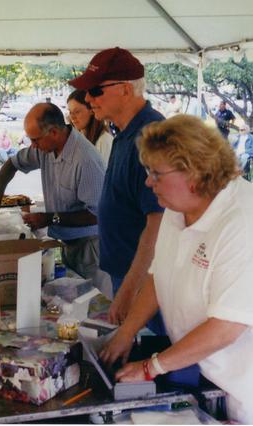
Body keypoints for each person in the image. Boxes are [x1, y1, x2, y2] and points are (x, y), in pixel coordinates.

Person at [100, 114, 253, 424]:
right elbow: (160, 276)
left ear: (194, 175)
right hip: (221, 365)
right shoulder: (177, 206)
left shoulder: (245, 222)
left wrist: (152, 367)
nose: (147, 182)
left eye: (155, 173)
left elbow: (226, 327)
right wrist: (127, 332)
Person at [68, 47, 165, 330]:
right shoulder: (124, 133)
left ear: (125, 89)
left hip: (145, 279)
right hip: (126, 271)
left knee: (153, 353)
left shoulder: (151, 136)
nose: (87, 98)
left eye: (95, 90)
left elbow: (158, 223)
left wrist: (129, 288)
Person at [0, 103, 105, 282]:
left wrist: (49, 218)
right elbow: (12, 164)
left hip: (92, 248)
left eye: (35, 140)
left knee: (93, 305)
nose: (33, 146)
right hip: (68, 244)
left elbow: (97, 215)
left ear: (54, 132)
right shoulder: (45, 149)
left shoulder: (86, 160)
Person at [67, 89, 114, 167]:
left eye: (77, 112)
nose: (72, 117)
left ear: (92, 110)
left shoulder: (105, 141)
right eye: (70, 112)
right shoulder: (75, 139)